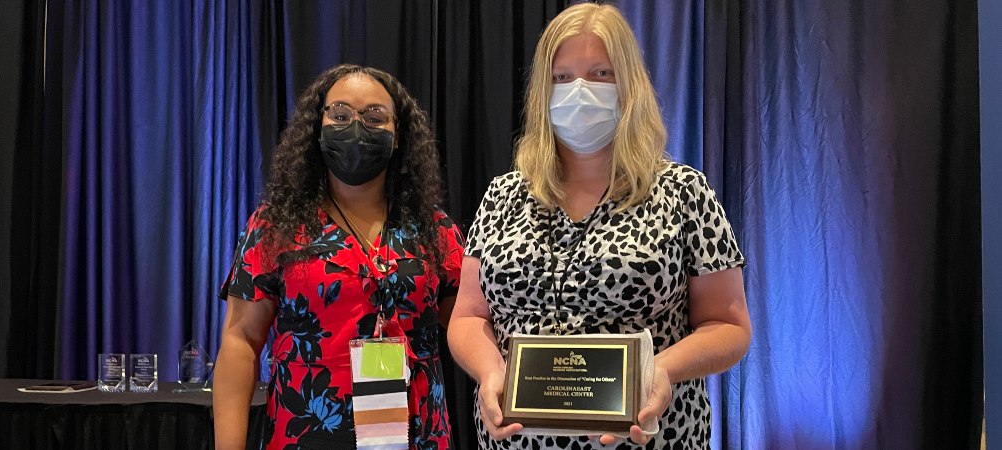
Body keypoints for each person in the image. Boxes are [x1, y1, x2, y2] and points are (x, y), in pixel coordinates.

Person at [447, 3, 751, 449]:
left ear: (629, 85)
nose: (580, 91)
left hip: (652, 438)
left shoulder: (685, 192)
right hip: (515, 440)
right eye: (563, 77)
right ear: (542, 90)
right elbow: (469, 316)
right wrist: (491, 369)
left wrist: (660, 370)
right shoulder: (502, 196)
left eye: (601, 74)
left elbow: (730, 326)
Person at [214, 64, 464, 450]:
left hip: (416, 437)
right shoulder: (275, 225)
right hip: (304, 434)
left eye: (375, 117)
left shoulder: (434, 229)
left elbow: (470, 324)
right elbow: (240, 341)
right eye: (341, 115)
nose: (357, 127)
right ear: (318, 129)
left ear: (398, 136)